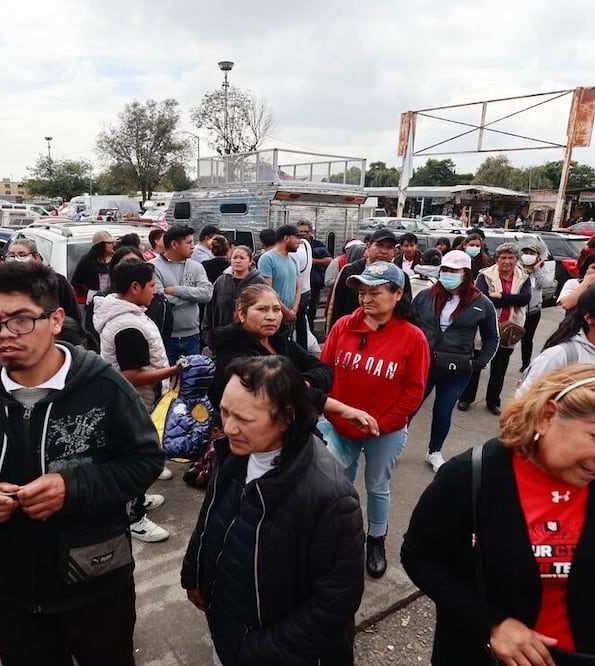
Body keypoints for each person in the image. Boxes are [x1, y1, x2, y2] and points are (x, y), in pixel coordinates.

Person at [0, 261, 163, 666]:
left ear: (56, 319)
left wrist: (72, 487)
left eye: (21, 320)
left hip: (98, 582)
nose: (5, 334)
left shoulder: (103, 386)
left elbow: (145, 460)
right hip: (13, 587)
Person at [402, 364, 595, 666]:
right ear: (548, 416)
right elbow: (419, 557)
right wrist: (492, 622)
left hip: (594, 654)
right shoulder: (472, 475)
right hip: (485, 655)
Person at [181, 356, 365, 665]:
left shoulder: (329, 495)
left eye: (244, 419)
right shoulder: (234, 454)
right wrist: (194, 574)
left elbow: (334, 603)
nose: (228, 427)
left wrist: (258, 651)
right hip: (228, 631)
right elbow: (210, 517)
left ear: (286, 417)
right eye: (224, 412)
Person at [319, 261, 428, 578]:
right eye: (362, 292)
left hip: (385, 428)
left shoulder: (413, 338)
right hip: (340, 425)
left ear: (397, 294)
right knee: (341, 484)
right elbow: (325, 372)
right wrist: (331, 411)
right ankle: (342, 535)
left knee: (377, 485)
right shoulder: (343, 327)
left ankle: (376, 539)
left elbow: (413, 391)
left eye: (375, 292)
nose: (366, 299)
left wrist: (382, 422)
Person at [92, 259, 177, 543]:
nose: (155, 291)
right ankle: (134, 517)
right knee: (136, 458)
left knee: (140, 457)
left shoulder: (130, 314)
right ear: (135, 287)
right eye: (152, 285)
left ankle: (138, 498)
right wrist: (177, 370)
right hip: (135, 402)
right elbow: (132, 375)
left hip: (138, 400)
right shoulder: (127, 326)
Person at [413, 250, 499, 472]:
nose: (448, 274)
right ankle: (391, 444)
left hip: (457, 369)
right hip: (423, 364)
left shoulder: (482, 303)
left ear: (466, 274)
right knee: (409, 407)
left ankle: (434, 452)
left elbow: (492, 337)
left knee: (443, 411)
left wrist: (478, 363)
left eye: (454, 270)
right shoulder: (426, 296)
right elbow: (409, 325)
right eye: (445, 270)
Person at [207, 284, 332, 411]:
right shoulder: (232, 351)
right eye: (262, 309)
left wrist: (305, 381)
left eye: (277, 309)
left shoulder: (280, 342)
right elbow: (273, 391)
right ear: (241, 314)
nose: (271, 317)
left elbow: (322, 369)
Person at [460, 242, 531, 415]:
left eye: (511, 258)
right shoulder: (485, 275)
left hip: (509, 329)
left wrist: (502, 296)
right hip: (485, 329)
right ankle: (466, 398)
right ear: (496, 259)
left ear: (516, 260)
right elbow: (483, 298)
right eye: (503, 258)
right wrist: (510, 299)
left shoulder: (524, 277)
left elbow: (525, 298)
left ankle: (493, 401)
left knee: (500, 368)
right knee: (476, 363)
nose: (507, 261)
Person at [326, 229, 414, 329]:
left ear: (394, 251)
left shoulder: (400, 276)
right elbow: (335, 307)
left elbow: (406, 311)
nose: (383, 251)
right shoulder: (350, 271)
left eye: (389, 247)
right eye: (379, 245)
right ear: (368, 246)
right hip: (352, 330)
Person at [151, 224, 214, 362]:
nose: (193, 246)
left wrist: (176, 290)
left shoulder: (196, 266)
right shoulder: (153, 267)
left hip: (192, 335)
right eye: (189, 242)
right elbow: (160, 300)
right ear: (174, 244)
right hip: (166, 336)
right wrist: (193, 297)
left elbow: (207, 293)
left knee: (193, 378)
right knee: (167, 381)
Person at [4, 238, 83, 326]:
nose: (16, 259)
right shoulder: (3, 285)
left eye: (22, 255)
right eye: (11, 256)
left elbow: (73, 319)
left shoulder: (57, 282)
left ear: (35, 257)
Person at [203, 245, 265, 343]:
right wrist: (208, 334)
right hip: (222, 339)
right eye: (234, 257)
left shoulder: (259, 282)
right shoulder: (221, 282)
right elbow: (210, 308)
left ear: (250, 261)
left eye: (242, 258)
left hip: (250, 341)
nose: (237, 261)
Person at [518, 241, 555, 373]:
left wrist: (537, 269)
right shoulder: (518, 269)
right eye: (526, 253)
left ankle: (525, 363)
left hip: (533, 310)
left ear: (538, 256)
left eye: (532, 253)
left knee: (527, 339)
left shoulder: (541, 270)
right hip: (518, 310)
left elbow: (546, 284)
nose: (528, 256)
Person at [258, 224, 302, 334]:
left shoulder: (293, 260)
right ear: (286, 238)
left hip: (290, 317)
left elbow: (298, 287)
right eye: (296, 237)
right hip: (273, 316)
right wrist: (286, 312)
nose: (299, 241)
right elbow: (268, 290)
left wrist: (294, 309)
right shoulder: (267, 259)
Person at [299, 221, 332, 333]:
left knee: (311, 311)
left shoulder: (318, 245)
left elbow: (329, 260)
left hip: (314, 284)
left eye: (306, 232)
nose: (303, 234)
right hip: (297, 285)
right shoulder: (295, 245)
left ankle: (311, 333)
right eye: (301, 232)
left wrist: (311, 261)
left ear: (311, 232)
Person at [71, 230, 116, 303]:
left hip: (112, 301)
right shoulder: (87, 261)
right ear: (101, 245)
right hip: (94, 302)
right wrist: (89, 293)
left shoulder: (116, 259)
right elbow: (75, 282)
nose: (112, 245)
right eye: (109, 243)